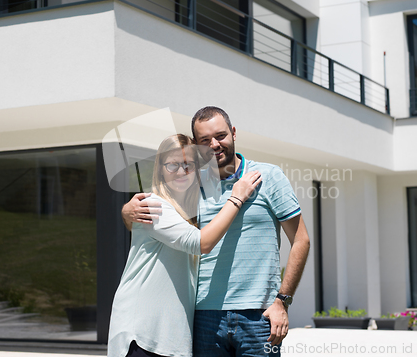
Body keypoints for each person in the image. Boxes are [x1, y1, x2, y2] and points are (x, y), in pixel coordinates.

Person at [121, 107, 310, 357]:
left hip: (259, 316)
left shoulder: (268, 176)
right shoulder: (189, 184)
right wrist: (127, 211)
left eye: (220, 136)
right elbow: (159, 218)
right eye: (204, 141)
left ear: (233, 133)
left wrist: (282, 302)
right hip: (203, 316)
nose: (214, 144)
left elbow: (301, 240)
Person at [108, 133, 262, 357]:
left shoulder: (192, 211)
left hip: (169, 338)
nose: (181, 171)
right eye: (172, 165)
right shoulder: (153, 206)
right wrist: (237, 197)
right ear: (160, 168)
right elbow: (202, 242)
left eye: (188, 165)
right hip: (144, 335)